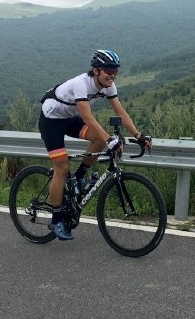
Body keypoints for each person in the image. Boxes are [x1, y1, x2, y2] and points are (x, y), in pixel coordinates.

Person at [38, 49, 150, 240]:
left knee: (98, 139)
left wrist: (138, 135)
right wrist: (110, 140)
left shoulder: (108, 85)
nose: (113, 75)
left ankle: (79, 177)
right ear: (96, 70)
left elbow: (121, 112)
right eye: (109, 70)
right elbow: (88, 118)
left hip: (68, 118)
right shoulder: (81, 84)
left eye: (115, 70)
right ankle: (56, 220)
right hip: (51, 120)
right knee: (62, 167)